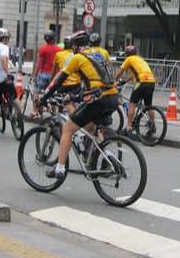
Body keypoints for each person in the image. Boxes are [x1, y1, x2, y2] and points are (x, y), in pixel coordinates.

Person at [41, 30, 119, 179]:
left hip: (99, 98)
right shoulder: (98, 54)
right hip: (113, 97)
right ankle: (108, 159)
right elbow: (93, 79)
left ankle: (60, 168)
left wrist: (43, 98)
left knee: (68, 129)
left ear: (75, 46)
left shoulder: (77, 57)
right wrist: (76, 95)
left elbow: (58, 81)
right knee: (91, 127)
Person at [114, 45, 156, 136]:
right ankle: (152, 125)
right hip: (151, 82)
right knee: (148, 106)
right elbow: (135, 73)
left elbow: (119, 72)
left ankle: (128, 128)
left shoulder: (128, 59)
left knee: (132, 104)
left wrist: (113, 81)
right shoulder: (140, 59)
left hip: (142, 83)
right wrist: (125, 81)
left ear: (126, 54)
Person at [34, 31, 61, 112]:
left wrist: (35, 76)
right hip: (54, 75)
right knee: (52, 93)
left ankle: (36, 111)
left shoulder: (42, 48)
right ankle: (54, 111)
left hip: (43, 74)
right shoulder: (59, 49)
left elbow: (39, 64)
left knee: (36, 92)